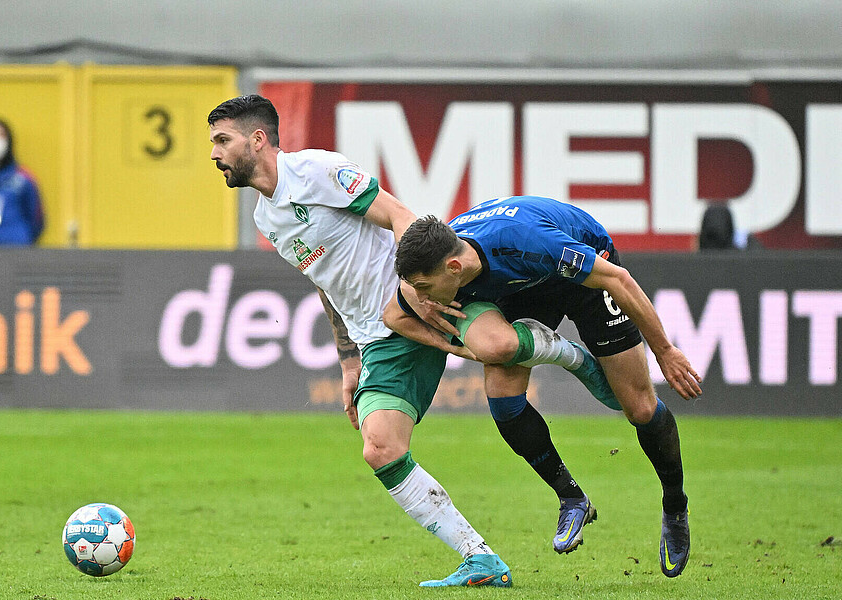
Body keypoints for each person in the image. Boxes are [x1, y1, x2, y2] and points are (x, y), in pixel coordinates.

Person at [206, 95, 615, 587]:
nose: (214, 153)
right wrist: (347, 359)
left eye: (221, 140)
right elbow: (325, 280)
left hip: (422, 299)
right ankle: (480, 559)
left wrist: (412, 291)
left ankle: (569, 354)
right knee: (380, 449)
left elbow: (403, 217)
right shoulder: (265, 219)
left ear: (257, 140)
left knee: (497, 348)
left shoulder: (317, 171)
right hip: (377, 336)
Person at [387, 196, 703, 578]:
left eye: (424, 287)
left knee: (639, 407)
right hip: (525, 288)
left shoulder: (527, 243)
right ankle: (572, 497)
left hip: (584, 274)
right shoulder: (443, 258)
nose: (421, 296)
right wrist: (442, 329)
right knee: (502, 392)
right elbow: (392, 314)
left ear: (454, 267)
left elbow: (618, 280)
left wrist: (665, 351)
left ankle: (674, 506)